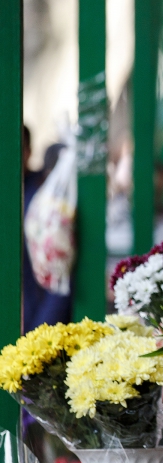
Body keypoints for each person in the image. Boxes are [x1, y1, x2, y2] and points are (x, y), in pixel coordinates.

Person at [22, 129, 73, 333]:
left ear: (28, 152)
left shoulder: (45, 195)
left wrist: (41, 330)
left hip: (38, 312)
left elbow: (59, 267)